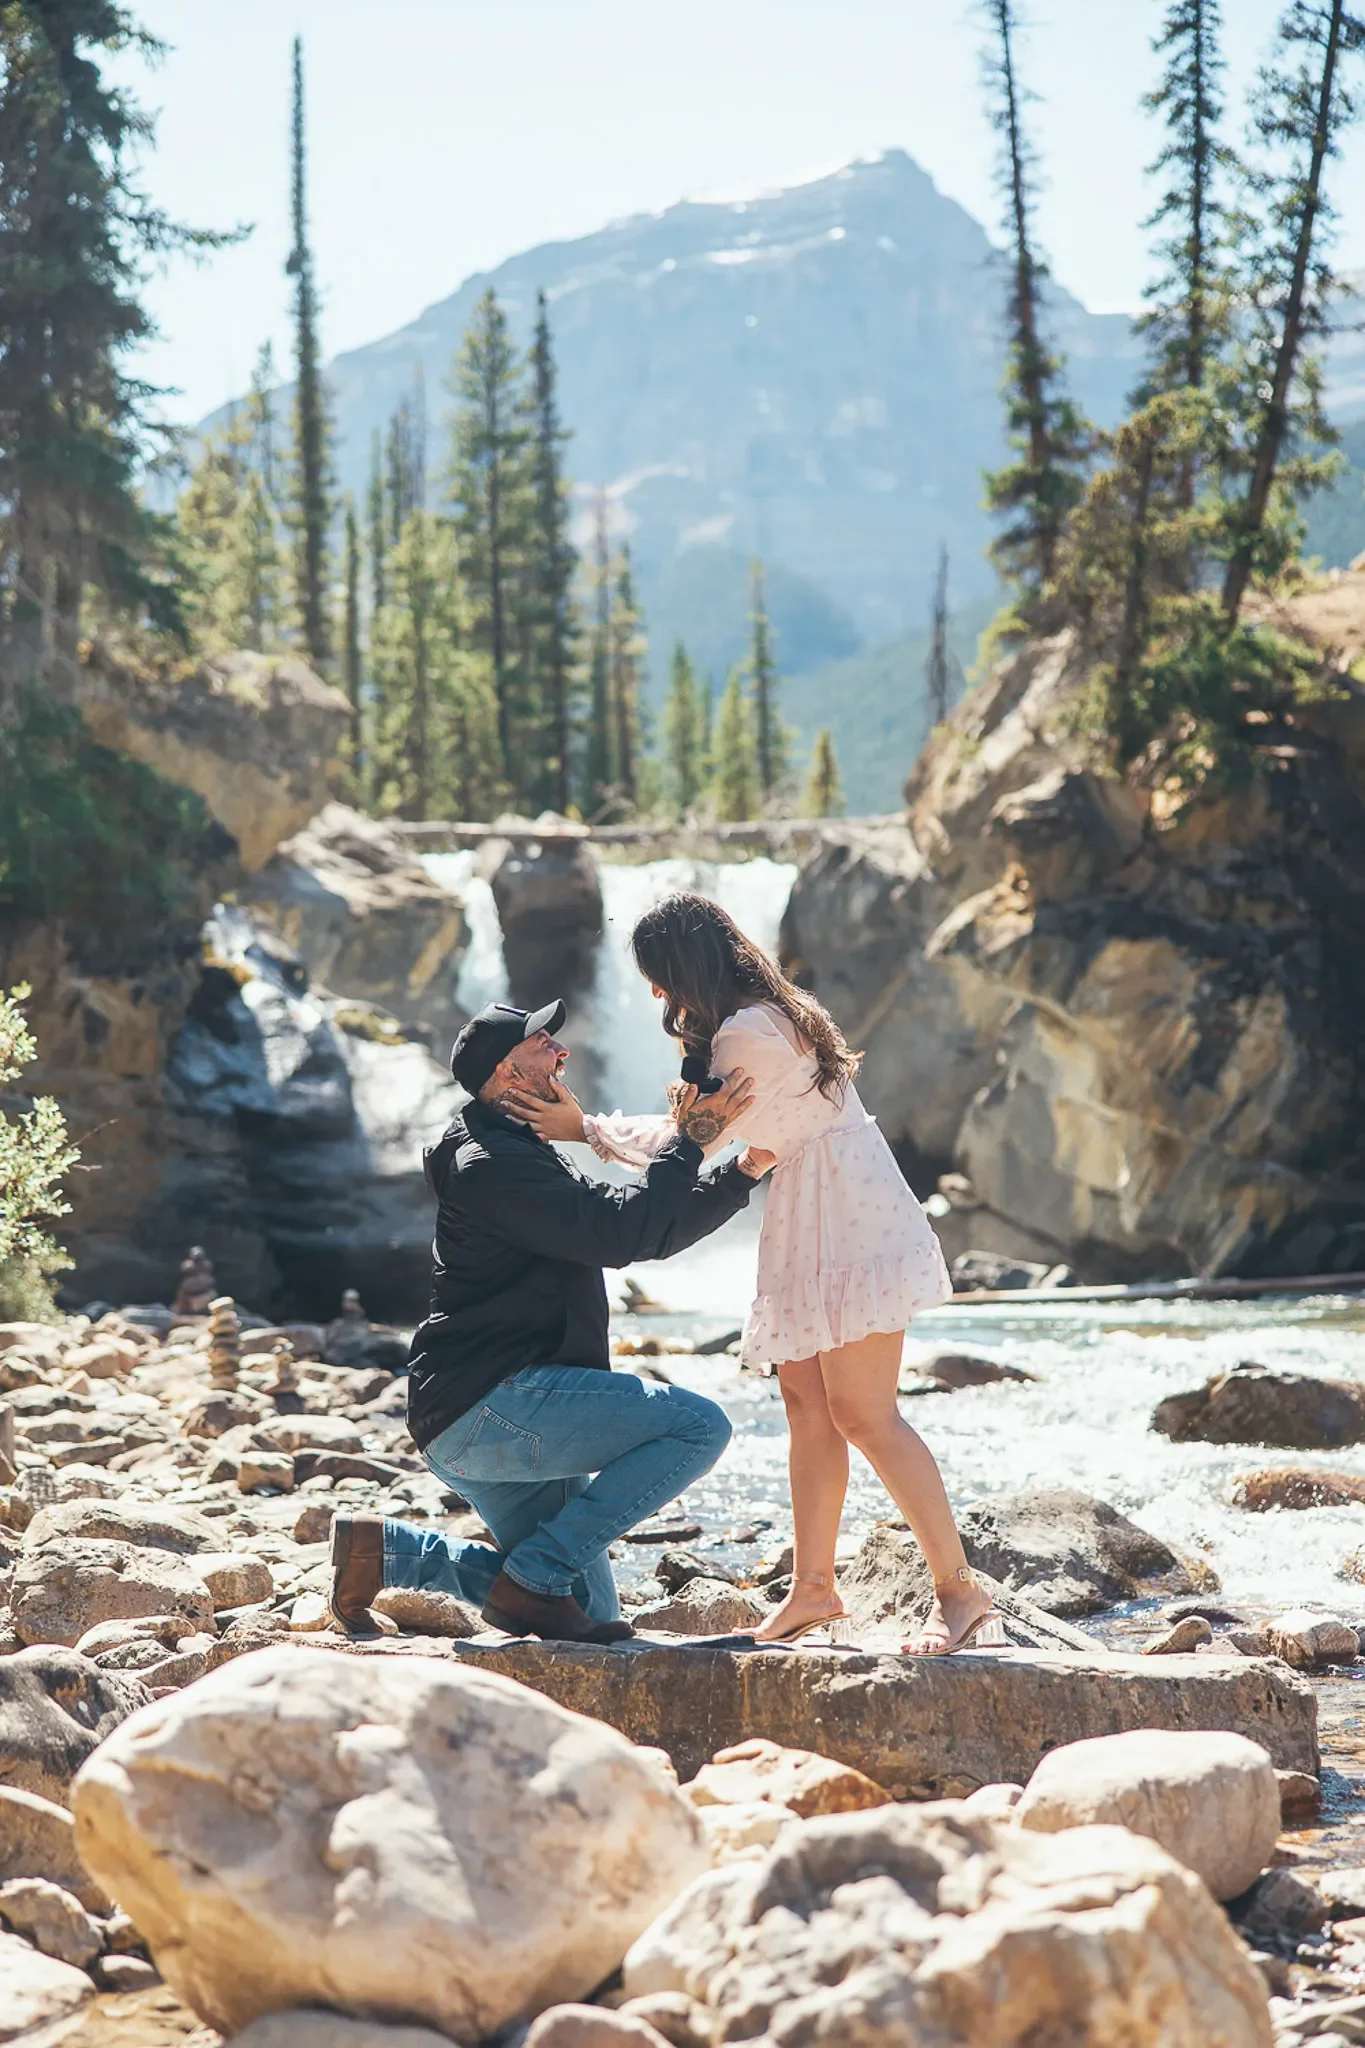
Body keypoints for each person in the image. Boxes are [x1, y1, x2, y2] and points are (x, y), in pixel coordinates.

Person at [509, 896, 999, 1656]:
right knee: (806, 1405)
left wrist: (587, 1129)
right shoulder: (764, 1014)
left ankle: (961, 1594)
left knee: (865, 1414)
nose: (653, 996)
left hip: (847, 1214)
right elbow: (716, 1129)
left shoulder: (747, 1033)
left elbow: (691, 1138)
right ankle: (813, 1589)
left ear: (684, 969)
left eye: (658, 979)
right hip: (817, 1204)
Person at [329, 996, 768, 1644]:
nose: (562, 1052)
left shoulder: (511, 1149)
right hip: (490, 1407)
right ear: (508, 1075)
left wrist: (742, 1172)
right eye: (543, 1045)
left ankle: (386, 1553)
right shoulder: (493, 1167)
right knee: (697, 1427)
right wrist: (687, 1139)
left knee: (585, 1615)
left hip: (481, 1408)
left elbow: (639, 1225)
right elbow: (623, 1233)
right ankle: (534, 1576)